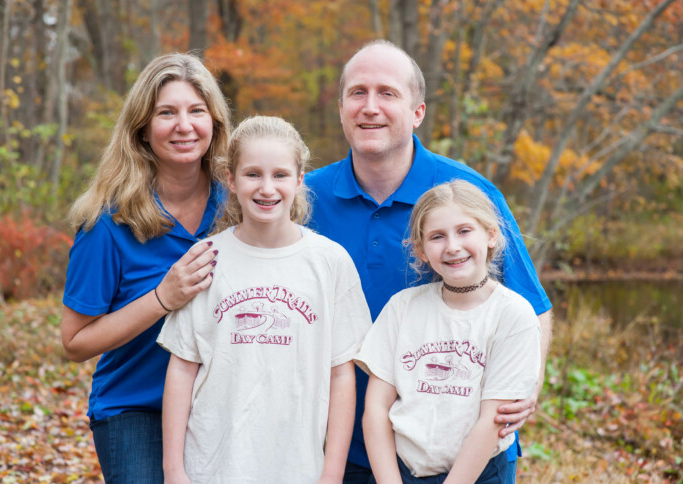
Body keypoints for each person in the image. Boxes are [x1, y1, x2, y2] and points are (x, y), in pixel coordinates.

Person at [304, 40, 553, 484]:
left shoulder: (467, 195)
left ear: (418, 112)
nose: (370, 107)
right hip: (341, 447)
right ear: (341, 108)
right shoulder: (304, 199)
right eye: (358, 93)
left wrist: (522, 392)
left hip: (467, 455)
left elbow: (532, 307)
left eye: (388, 93)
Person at [157, 116, 372, 483]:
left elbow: (341, 375)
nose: (267, 188)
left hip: (299, 468)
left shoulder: (330, 263)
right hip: (212, 466)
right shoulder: (206, 258)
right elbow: (182, 368)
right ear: (231, 179)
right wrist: (173, 469)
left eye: (281, 175)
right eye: (253, 174)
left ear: (300, 180)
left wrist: (332, 474)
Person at [61, 52, 232, 483]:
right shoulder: (106, 222)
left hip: (222, 405)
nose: (184, 125)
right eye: (166, 113)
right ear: (141, 129)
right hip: (136, 409)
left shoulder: (238, 209)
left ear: (214, 123)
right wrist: (162, 298)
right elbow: (76, 342)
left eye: (197, 111)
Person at [357, 180, 541, 483]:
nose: (453, 246)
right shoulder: (402, 308)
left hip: (479, 472)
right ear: (422, 250)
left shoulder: (513, 315)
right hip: (402, 472)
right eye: (437, 236)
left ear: (491, 235)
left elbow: (491, 422)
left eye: (465, 231)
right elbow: (376, 408)